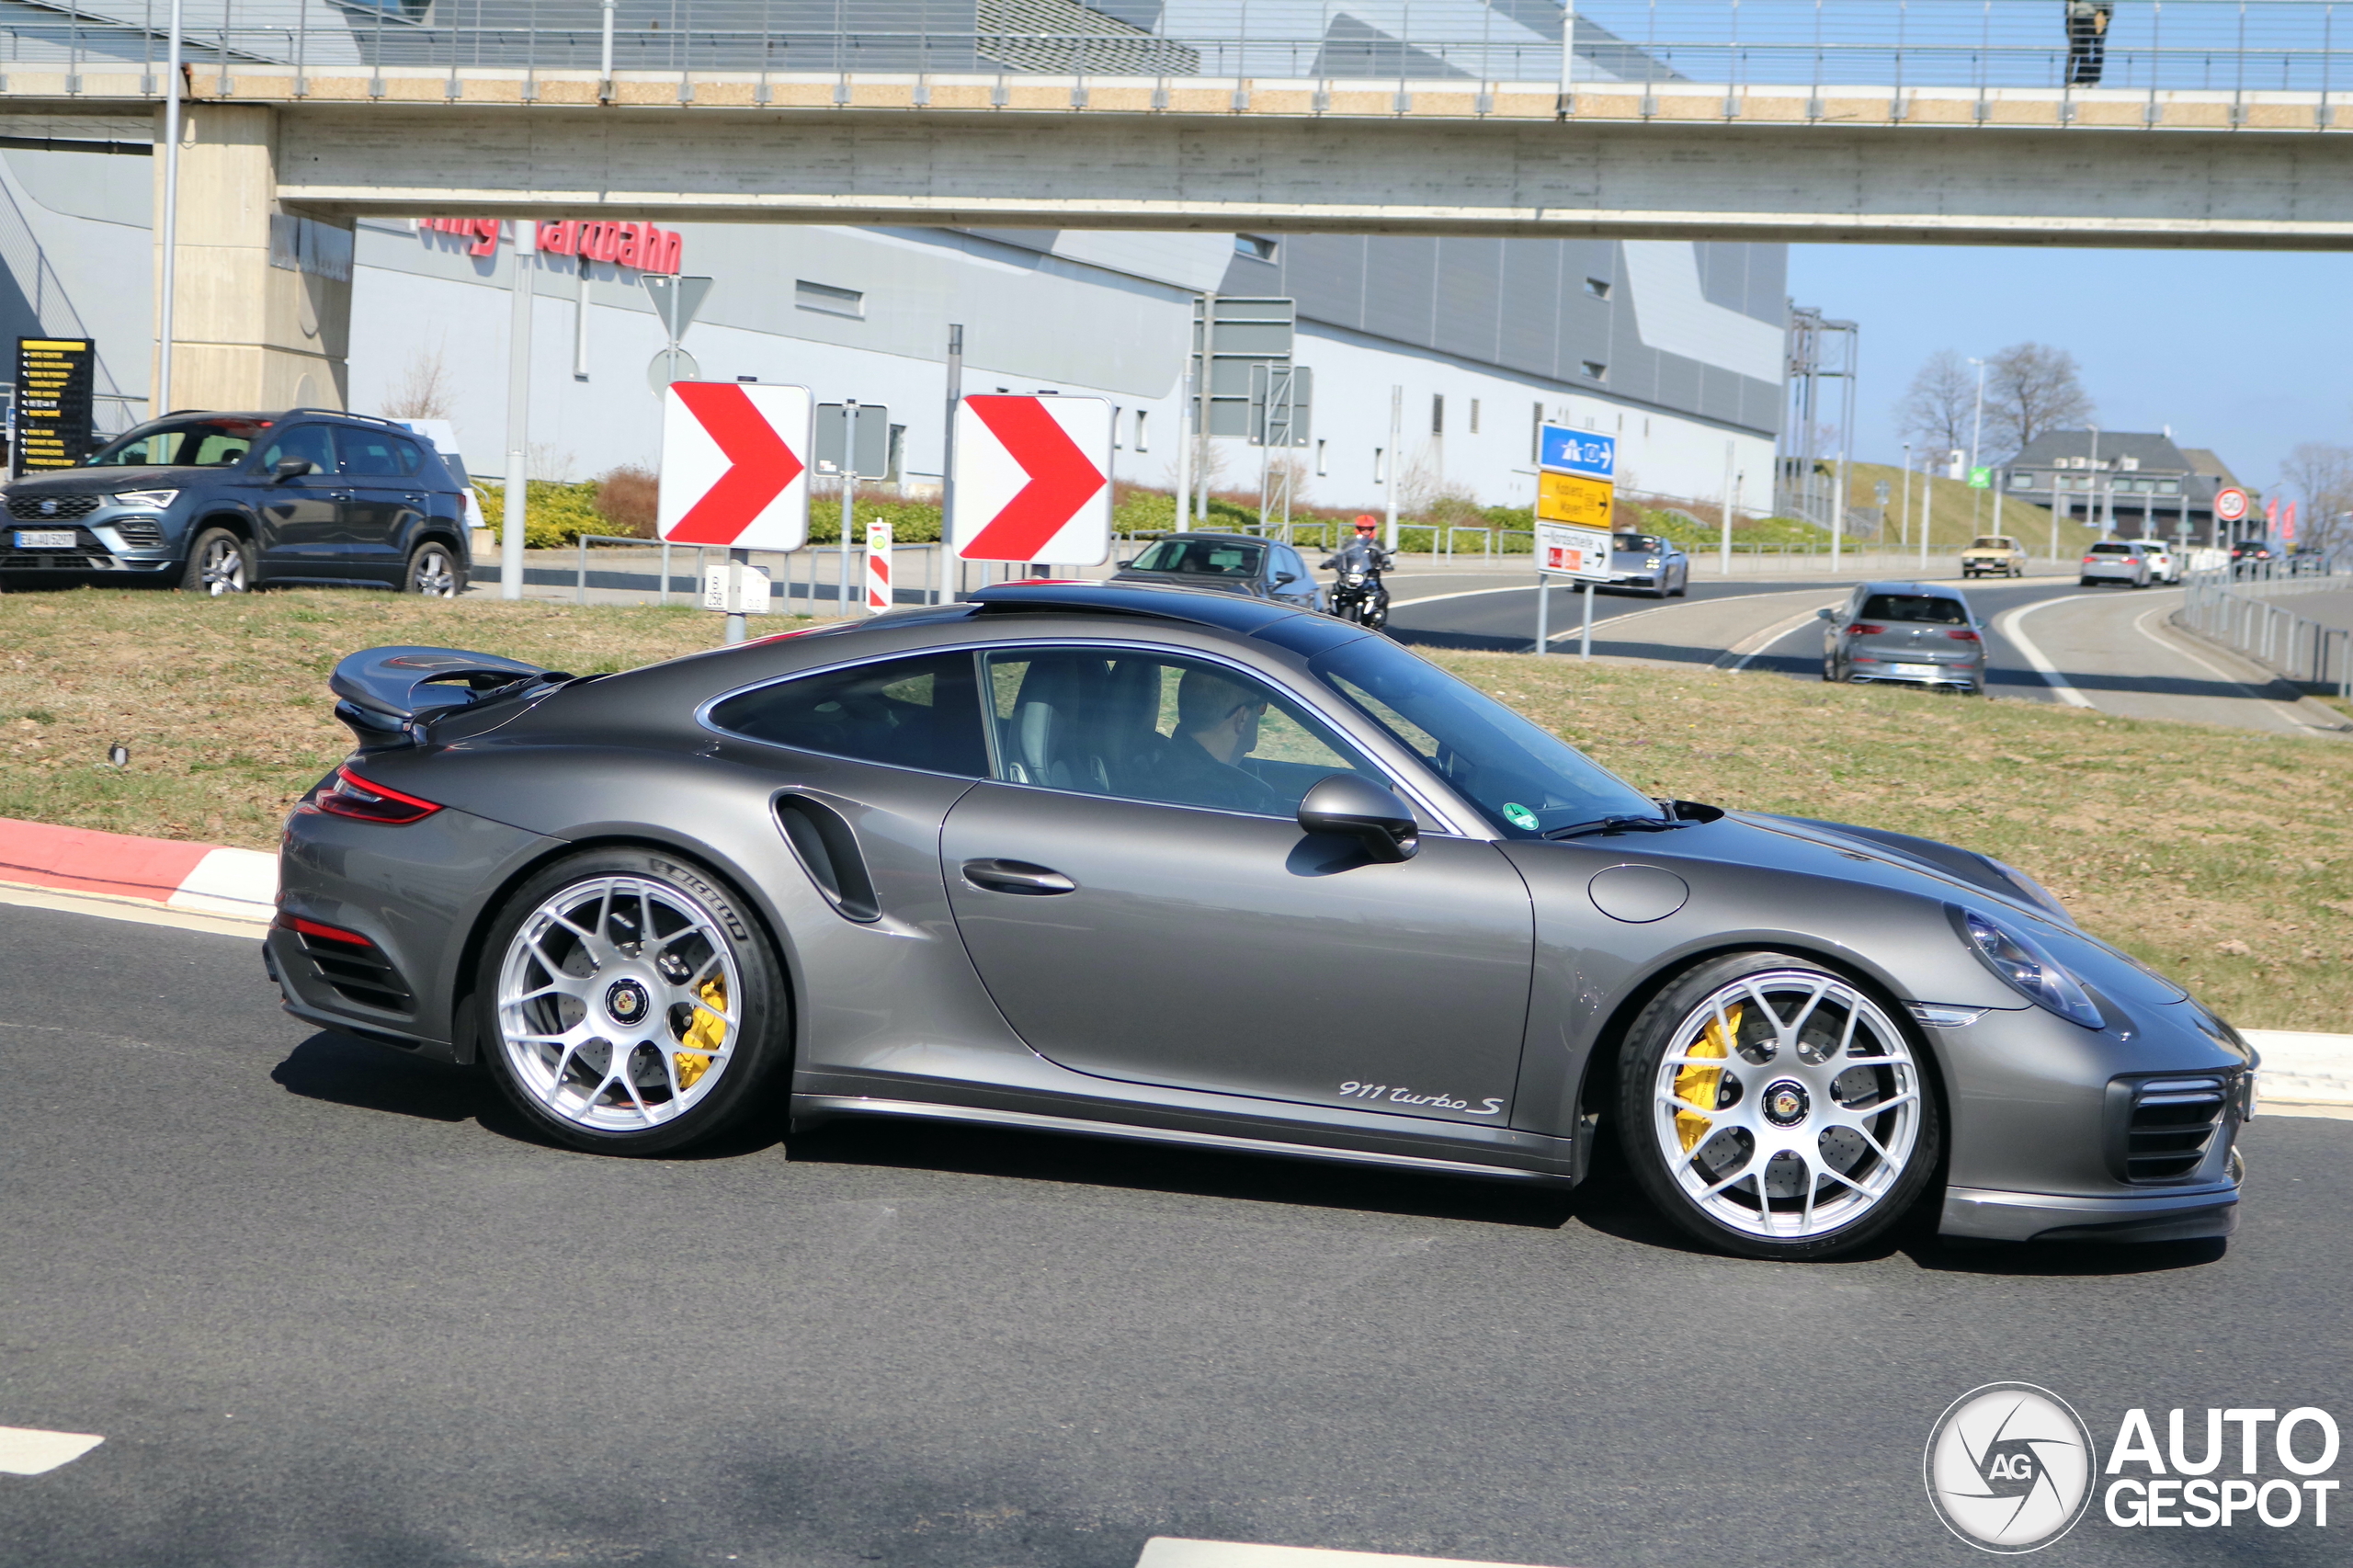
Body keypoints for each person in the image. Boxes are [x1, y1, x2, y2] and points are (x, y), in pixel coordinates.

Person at [1152, 667, 1280, 814]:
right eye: (1261, 705)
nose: (1261, 713)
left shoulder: (1167, 763)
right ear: (1242, 717)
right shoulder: (1213, 803)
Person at [1321, 515, 1394, 625]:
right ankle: (1332, 613)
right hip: (1351, 575)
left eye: (1368, 529)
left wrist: (1386, 563)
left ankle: (1378, 620)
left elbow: (1384, 556)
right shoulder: (1350, 544)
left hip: (1370, 578)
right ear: (1357, 529)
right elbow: (1341, 555)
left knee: (1383, 595)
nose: (1365, 531)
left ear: (1373, 530)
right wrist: (1330, 562)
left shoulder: (1378, 545)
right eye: (1362, 529)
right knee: (1335, 591)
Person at [2065, 0, 2114, 86]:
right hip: (2077, 17)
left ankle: (2091, 80)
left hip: (2098, 16)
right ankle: (2073, 80)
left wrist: (2104, 16)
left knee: (2095, 49)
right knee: (2077, 49)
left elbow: (2107, 6)